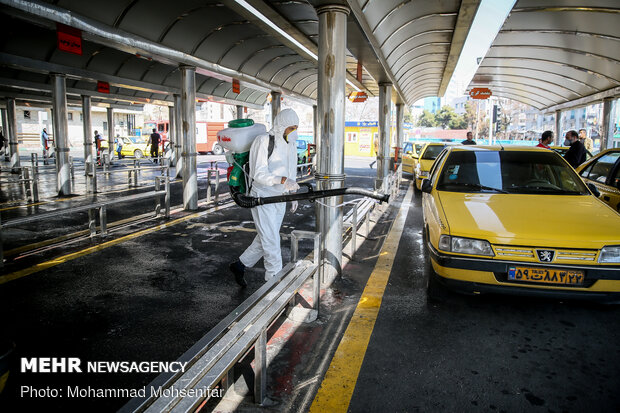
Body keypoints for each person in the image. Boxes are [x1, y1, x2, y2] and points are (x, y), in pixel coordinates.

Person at [229, 109, 300, 287]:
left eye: (295, 128)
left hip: (279, 198)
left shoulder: (291, 144)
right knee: (271, 241)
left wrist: (292, 194)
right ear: (281, 125)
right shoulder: (263, 141)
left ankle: (240, 265)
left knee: (266, 238)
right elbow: (258, 173)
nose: (293, 132)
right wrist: (281, 180)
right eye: (291, 128)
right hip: (263, 197)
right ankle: (274, 282)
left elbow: (291, 171)